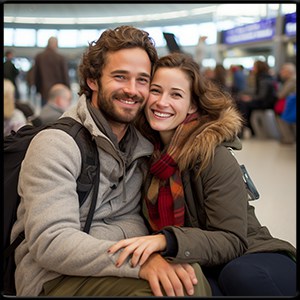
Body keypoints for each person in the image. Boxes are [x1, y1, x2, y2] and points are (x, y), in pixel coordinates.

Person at [10, 26, 211, 297]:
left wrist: (88, 236)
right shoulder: (57, 144)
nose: (132, 90)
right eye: (120, 77)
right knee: (163, 290)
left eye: (142, 80)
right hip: (50, 279)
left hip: (99, 263)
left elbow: (134, 221)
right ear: (93, 80)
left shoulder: (138, 146)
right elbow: (52, 242)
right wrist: (139, 260)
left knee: (190, 277)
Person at [108, 52, 297, 296]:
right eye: (156, 91)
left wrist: (168, 240)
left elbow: (232, 240)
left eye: (176, 94)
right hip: (200, 259)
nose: (161, 102)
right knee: (185, 286)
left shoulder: (213, 156)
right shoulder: (143, 155)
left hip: (255, 254)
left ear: (192, 105)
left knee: (238, 275)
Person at [236, 60, 278, 138]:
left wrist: (250, 98)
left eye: (254, 67)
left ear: (259, 68)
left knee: (242, 105)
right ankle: (248, 129)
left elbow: (262, 96)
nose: (253, 69)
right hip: (265, 102)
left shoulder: (263, 79)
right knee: (242, 102)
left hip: (266, 103)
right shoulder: (263, 77)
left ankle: (241, 131)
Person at [34, 36, 70, 107]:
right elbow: (65, 75)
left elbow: (36, 75)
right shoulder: (60, 58)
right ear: (56, 44)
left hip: (44, 90)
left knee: (45, 110)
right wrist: (67, 88)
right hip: (58, 91)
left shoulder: (40, 57)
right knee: (57, 111)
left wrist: (38, 89)